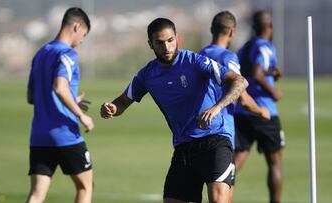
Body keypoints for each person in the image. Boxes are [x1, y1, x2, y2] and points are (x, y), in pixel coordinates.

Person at [100, 17, 248, 203]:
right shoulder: (147, 75)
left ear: (177, 38)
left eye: (170, 40)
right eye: (160, 43)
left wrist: (217, 107)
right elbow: (122, 102)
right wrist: (112, 108)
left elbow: (240, 81)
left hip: (215, 141)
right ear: (150, 44)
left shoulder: (195, 61)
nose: (167, 47)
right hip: (184, 147)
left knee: (218, 199)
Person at [198, 10, 271, 202]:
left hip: (197, 133)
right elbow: (242, 95)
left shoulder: (199, 55)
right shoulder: (228, 57)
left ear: (212, 29)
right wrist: (261, 111)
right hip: (220, 133)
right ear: (231, 32)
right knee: (224, 197)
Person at [26, 7, 94, 203]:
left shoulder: (41, 53)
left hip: (39, 135)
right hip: (65, 134)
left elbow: (32, 96)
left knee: (37, 194)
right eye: (84, 35)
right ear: (76, 26)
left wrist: (73, 101)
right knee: (85, 186)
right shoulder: (68, 54)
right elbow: (59, 87)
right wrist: (81, 115)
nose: (82, 40)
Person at [234, 10, 285, 203]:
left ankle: (219, 195)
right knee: (274, 162)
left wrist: (271, 71)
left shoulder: (244, 48)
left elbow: (248, 71)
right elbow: (256, 72)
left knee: (236, 160)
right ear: (269, 26)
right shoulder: (265, 46)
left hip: (242, 110)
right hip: (264, 112)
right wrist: (273, 91)